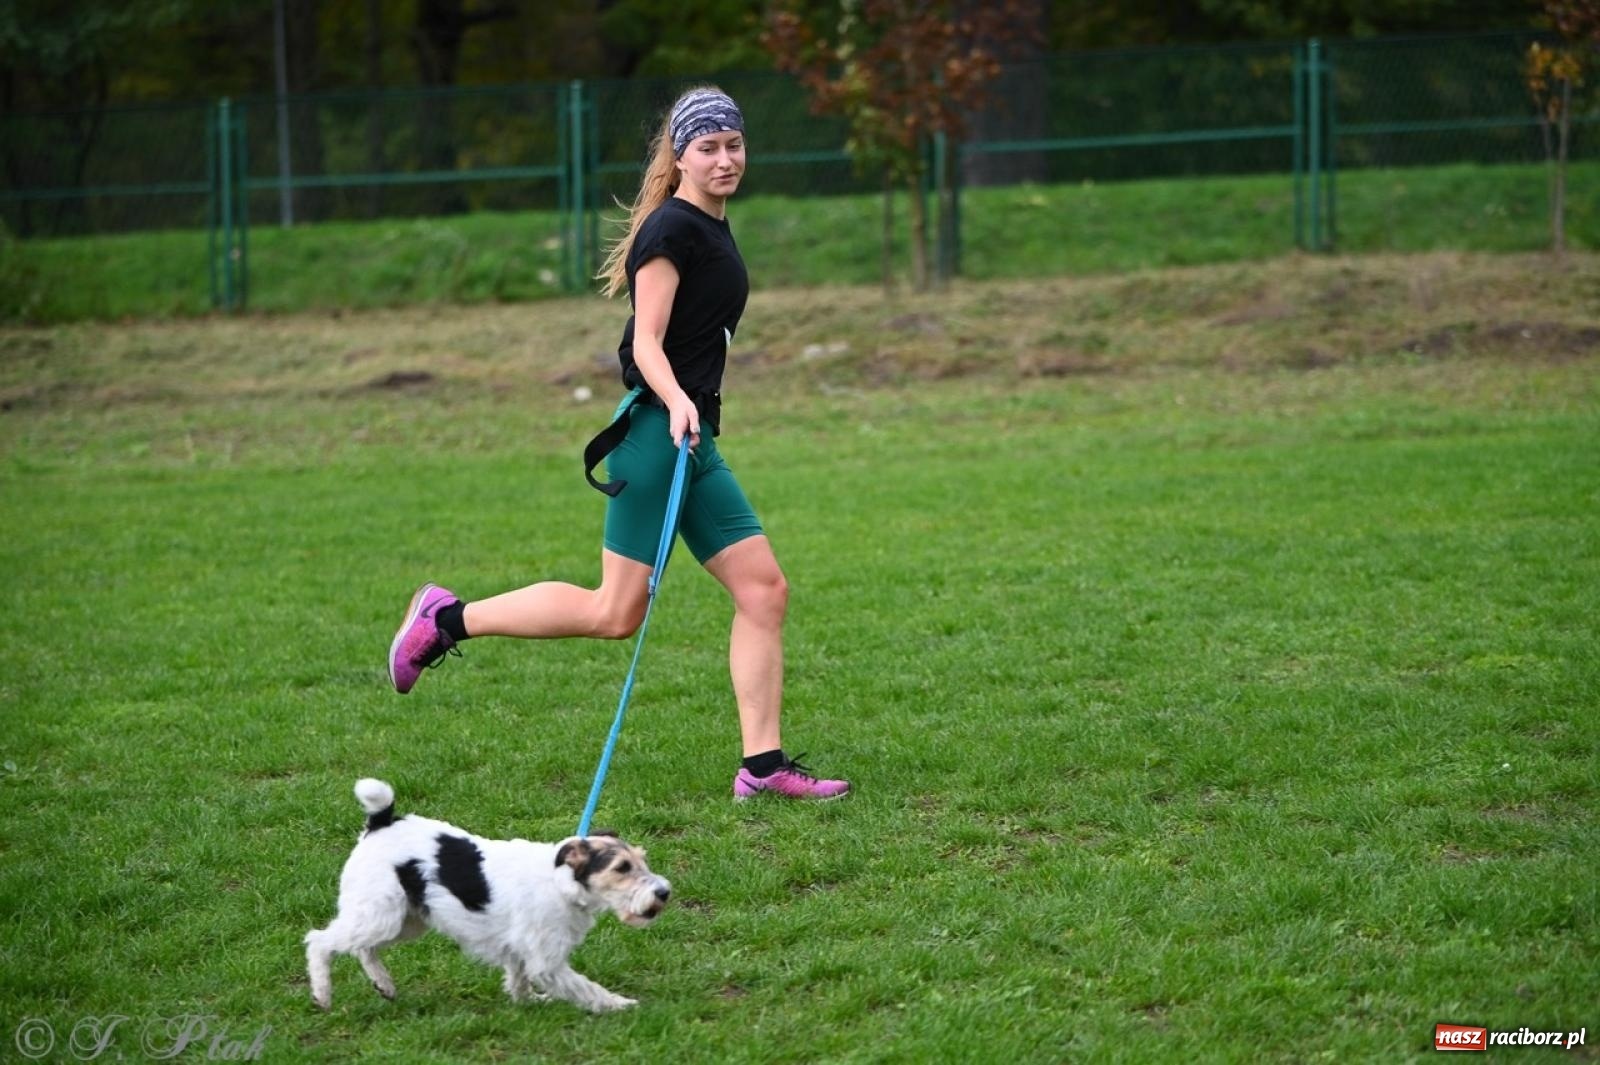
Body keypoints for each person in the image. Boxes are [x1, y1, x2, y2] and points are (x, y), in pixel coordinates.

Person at [387, 86, 848, 802]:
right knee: (614, 612)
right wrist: (674, 401)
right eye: (708, 147)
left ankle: (762, 768)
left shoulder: (710, 224)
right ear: (680, 155)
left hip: (692, 442)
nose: (725, 159)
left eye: (734, 144)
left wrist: (690, 411)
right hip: (656, 438)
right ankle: (445, 619)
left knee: (764, 589)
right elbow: (645, 342)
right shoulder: (671, 231)